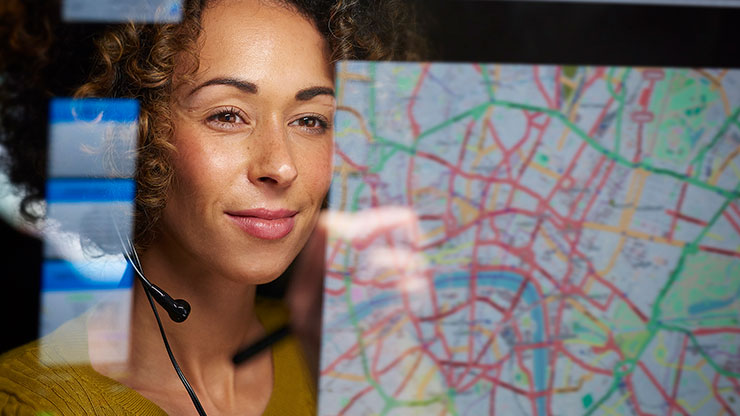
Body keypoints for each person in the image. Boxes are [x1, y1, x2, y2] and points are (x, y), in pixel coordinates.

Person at [0, 0, 424, 414]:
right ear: (126, 137)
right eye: (227, 115)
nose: (280, 166)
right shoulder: (35, 403)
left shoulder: (359, 360)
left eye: (311, 120)